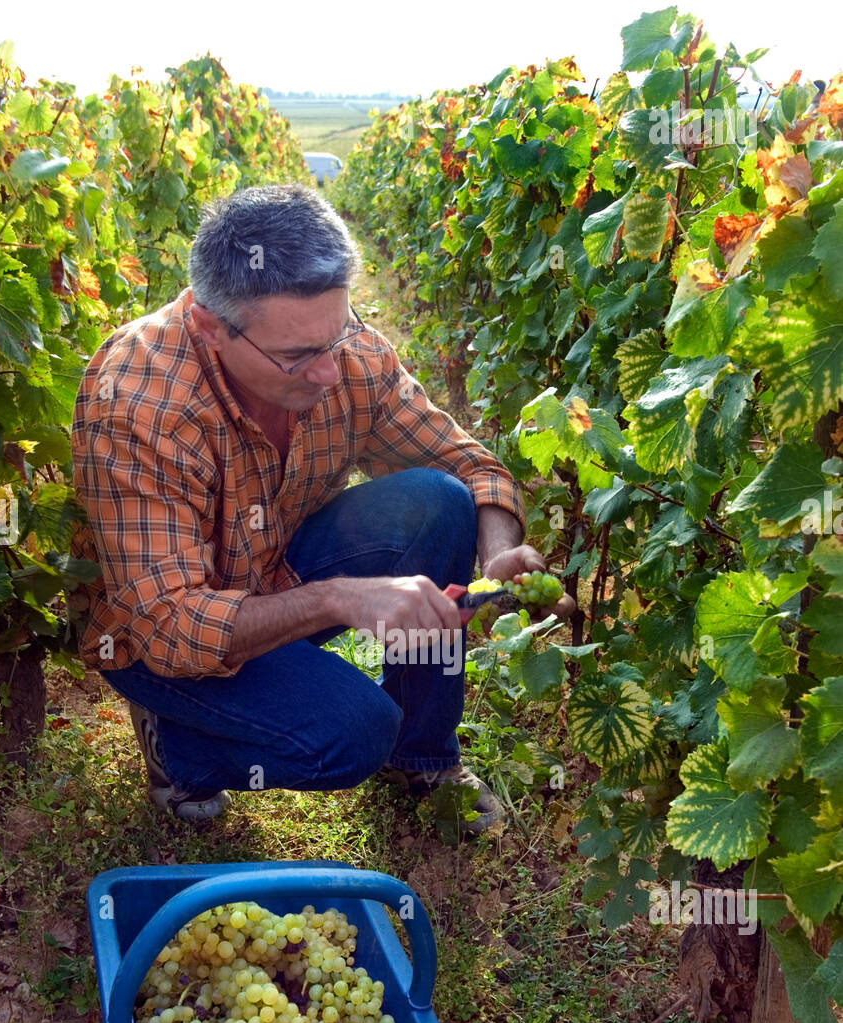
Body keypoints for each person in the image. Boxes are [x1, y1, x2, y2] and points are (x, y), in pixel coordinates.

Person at [69, 184, 572, 833]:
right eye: (299, 355)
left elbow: (467, 466)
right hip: (155, 635)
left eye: (334, 339)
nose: (329, 372)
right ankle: (179, 744)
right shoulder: (140, 404)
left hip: (268, 567)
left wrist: (500, 552)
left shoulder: (344, 354)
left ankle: (422, 757)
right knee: (353, 733)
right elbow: (172, 628)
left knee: (440, 502)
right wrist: (340, 598)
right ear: (209, 327)